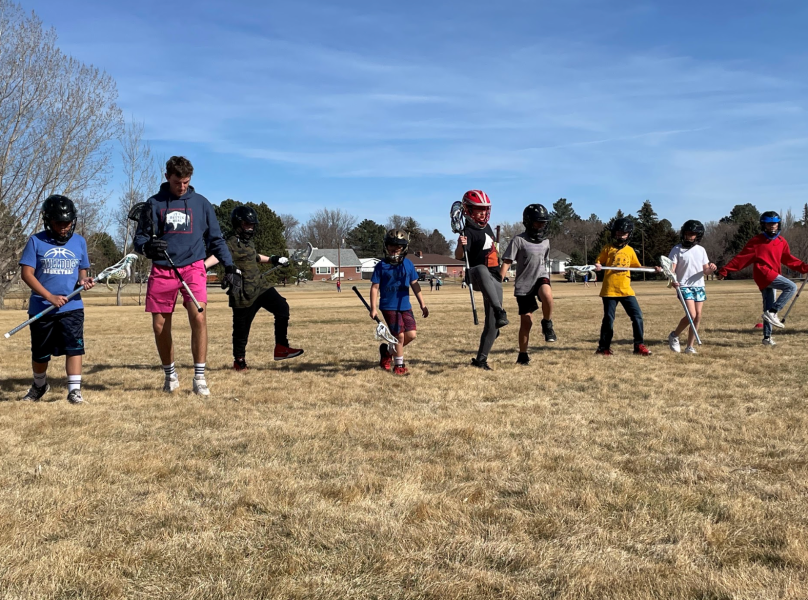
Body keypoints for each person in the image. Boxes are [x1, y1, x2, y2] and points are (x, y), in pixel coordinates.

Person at [133, 156, 240, 396]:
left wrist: (230, 266)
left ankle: (199, 378)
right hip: (163, 269)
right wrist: (148, 247)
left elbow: (216, 239)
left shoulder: (201, 204)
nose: (181, 186)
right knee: (160, 325)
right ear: (167, 177)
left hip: (193, 267)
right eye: (176, 182)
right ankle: (170, 375)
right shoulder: (154, 204)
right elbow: (139, 240)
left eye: (186, 182)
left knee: (199, 317)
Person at [204, 205, 304, 371]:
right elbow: (217, 256)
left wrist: (274, 259)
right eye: (247, 225)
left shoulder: (248, 243)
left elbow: (255, 257)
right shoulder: (229, 243)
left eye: (252, 225)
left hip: (260, 286)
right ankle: (239, 361)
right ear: (238, 224)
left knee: (282, 308)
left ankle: (281, 347)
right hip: (243, 293)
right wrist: (202, 268)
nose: (250, 228)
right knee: (241, 329)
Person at [19, 195, 96, 404]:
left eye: (67, 222)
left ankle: (74, 391)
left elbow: (82, 273)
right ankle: (39, 385)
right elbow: (27, 274)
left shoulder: (79, 241)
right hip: (42, 308)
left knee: (74, 347)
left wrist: (84, 282)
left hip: (72, 307)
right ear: (48, 221)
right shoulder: (36, 241)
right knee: (40, 354)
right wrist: (49, 297)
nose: (64, 227)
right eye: (58, 223)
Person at [716, 211, 808, 346]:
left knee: (767, 307)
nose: (772, 226)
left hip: (773, 274)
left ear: (778, 224)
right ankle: (774, 312)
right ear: (763, 225)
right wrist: (725, 270)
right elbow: (741, 259)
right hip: (763, 273)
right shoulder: (756, 242)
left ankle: (767, 338)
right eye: (769, 224)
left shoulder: (782, 242)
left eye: (774, 223)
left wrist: (805, 268)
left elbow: (788, 259)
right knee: (791, 287)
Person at [455, 190, 508, 370]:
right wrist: (460, 245)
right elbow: (458, 256)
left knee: (493, 324)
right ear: (468, 210)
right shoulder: (468, 231)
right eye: (479, 210)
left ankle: (481, 360)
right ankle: (499, 310)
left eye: (485, 209)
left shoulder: (487, 227)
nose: (483, 213)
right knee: (482, 269)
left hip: (493, 277)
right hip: (477, 275)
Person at [594, 217, 661, 356]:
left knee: (637, 316)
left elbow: (638, 267)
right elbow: (599, 262)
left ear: (628, 234)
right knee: (608, 319)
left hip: (626, 290)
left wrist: (653, 269)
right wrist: (598, 265)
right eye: (618, 233)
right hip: (609, 291)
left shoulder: (630, 250)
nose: (620, 236)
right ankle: (603, 347)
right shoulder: (608, 248)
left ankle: (639, 345)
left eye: (623, 233)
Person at [500, 204, 556, 366]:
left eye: (543, 222)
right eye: (537, 222)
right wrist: (499, 281)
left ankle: (547, 323)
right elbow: (507, 262)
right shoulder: (518, 240)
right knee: (527, 322)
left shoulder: (546, 242)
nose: (541, 225)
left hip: (541, 277)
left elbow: (544, 261)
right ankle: (523, 354)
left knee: (547, 295)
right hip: (524, 284)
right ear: (528, 222)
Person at [370, 229, 429, 375]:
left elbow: (415, 284)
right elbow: (374, 287)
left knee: (411, 335)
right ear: (386, 246)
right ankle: (399, 365)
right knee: (400, 336)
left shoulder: (408, 265)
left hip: (405, 306)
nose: (395, 249)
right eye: (391, 245)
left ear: (404, 248)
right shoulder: (381, 266)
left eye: (399, 246)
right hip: (388, 306)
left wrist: (422, 304)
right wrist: (373, 308)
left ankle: (388, 351)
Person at [667, 220, 717, 354]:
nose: (689, 236)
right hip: (683, 286)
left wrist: (711, 269)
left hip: (699, 286)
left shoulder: (701, 250)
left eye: (692, 234)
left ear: (697, 236)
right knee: (691, 315)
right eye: (687, 233)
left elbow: (705, 270)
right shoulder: (677, 249)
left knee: (698, 316)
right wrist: (673, 280)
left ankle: (690, 346)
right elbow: (672, 269)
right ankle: (674, 335)